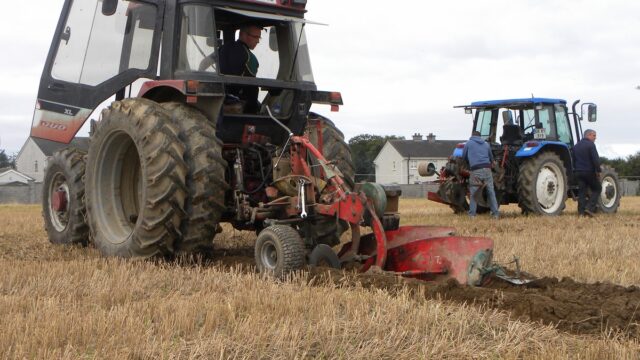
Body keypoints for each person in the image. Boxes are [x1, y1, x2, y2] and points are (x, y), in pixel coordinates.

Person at [199, 25, 263, 113]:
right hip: (240, 105)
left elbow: (204, 63)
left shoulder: (224, 48)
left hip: (220, 97)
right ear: (242, 34)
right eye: (255, 37)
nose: (258, 41)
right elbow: (251, 88)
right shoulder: (251, 59)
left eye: (259, 38)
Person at [462, 131, 500, 218]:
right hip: (487, 169)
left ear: (472, 136)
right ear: (480, 137)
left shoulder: (468, 143)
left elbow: (463, 157)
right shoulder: (486, 144)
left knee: (474, 193)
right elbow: (491, 158)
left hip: (475, 170)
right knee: (491, 192)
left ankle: (472, 215)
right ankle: (495, 214)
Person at [573, 129, 602, 217]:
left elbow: (573, 160)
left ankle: (581, 212)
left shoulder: (576, 146)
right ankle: (589, 208)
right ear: (588, 135)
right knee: (597, 188)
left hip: (578, 172)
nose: (595, 138)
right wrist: (598, 171)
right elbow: (595, 160)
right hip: (588, 172)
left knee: (582, 192)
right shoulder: (591, 145)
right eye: (594, 136)